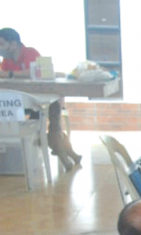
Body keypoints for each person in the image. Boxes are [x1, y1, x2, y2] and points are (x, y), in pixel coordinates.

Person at [0, 27, 82, 171]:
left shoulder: (31, 53)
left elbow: (35, 71)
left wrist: (11, 74)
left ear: (13, 44)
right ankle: (66, 152)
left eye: (2, 44)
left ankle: (66, 152)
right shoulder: (6, 61)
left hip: (40, 105)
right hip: (23, 114)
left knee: (54, 113)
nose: (1, 49)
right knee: (48, 125)